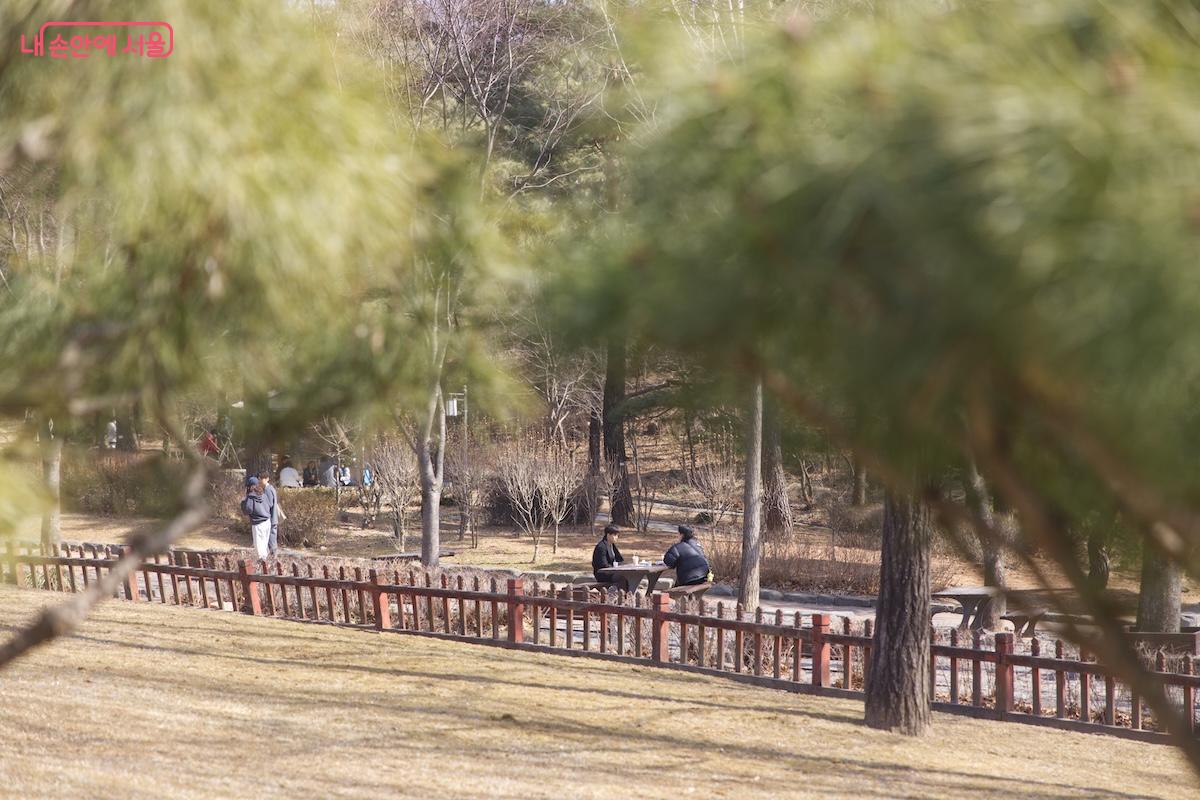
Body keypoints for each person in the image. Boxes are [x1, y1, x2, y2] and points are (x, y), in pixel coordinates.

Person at [240, 477, 272, 559]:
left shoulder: (250, 497)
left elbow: (247, 510)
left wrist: (243, 502)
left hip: (258, 524)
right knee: (264, 545)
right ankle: (267, 564)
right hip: (267, 522)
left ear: (250, 486)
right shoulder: (263, 494)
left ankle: (263, 566)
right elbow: (269, 505)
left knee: (259, 547)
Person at [257, 471, 282, 555]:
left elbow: (269, 504)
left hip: (271, 518)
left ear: (267, 479)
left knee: (271, 540)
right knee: (271, 539)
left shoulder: (268, 489)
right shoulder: (270, 488)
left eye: (262, 479)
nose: (260, 481)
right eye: (259, 479)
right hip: (272, 518)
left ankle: (274, 558)